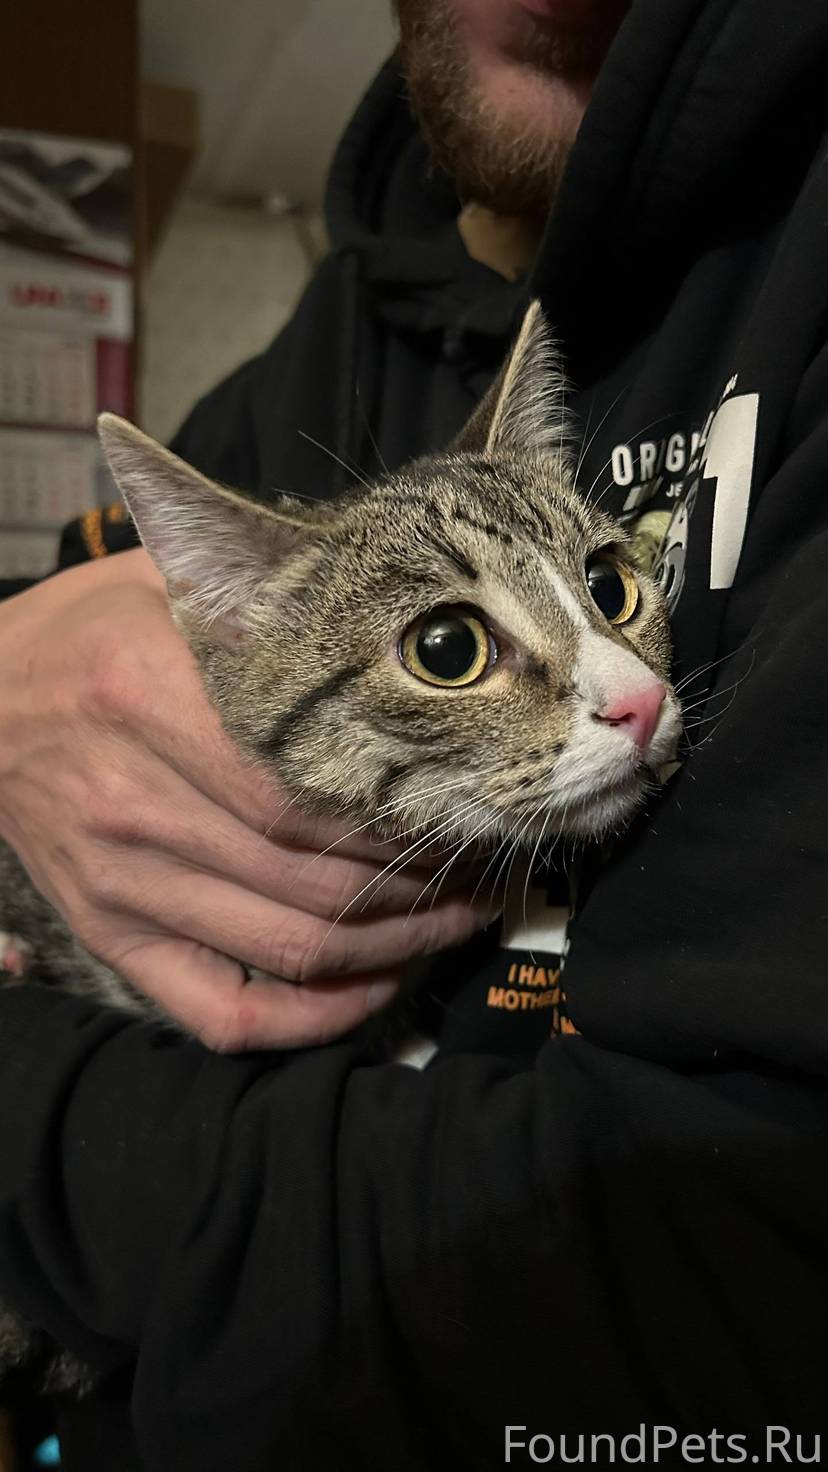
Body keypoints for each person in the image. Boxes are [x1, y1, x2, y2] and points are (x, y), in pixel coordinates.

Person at [1, 0, 828, 1466]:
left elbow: (706, 1299)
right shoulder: (283, 385)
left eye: (612, 589)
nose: (631, 691)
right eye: (452, 649)